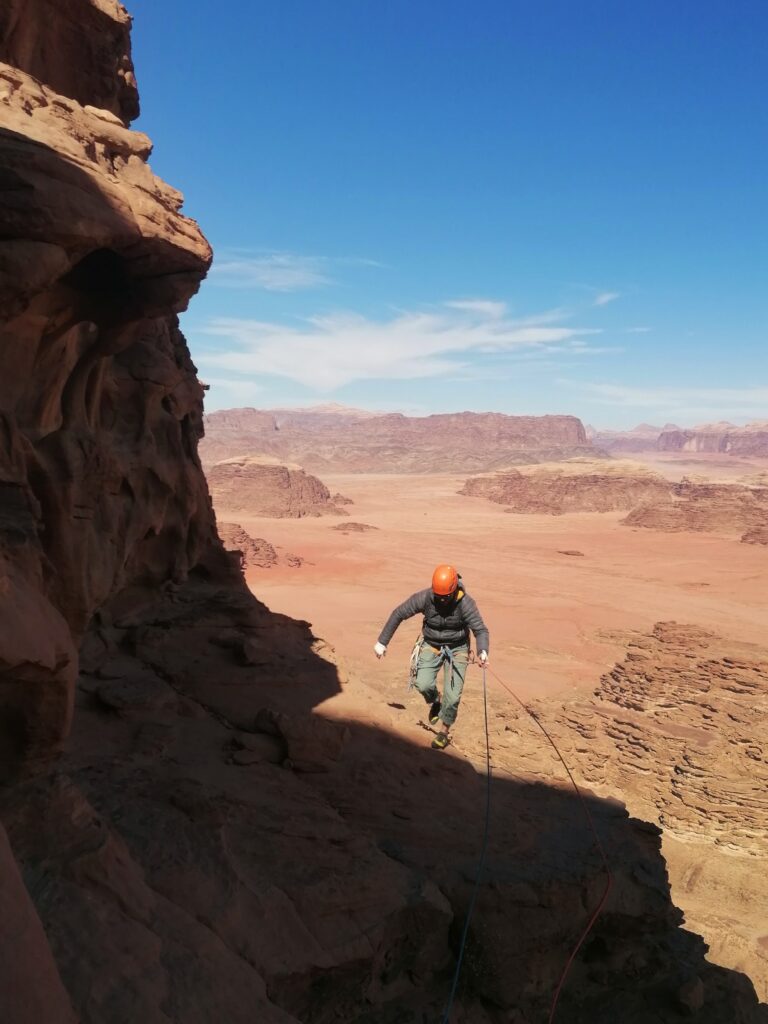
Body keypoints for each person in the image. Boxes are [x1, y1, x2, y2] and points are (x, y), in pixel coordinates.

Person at [374, 564, 489, 749]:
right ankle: (435, 701)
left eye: (445, 597)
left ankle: (444, 732)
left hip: (458, 648)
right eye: (438, 596)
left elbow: (480, 629)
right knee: (423, 683)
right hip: (431, 644)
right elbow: (399, 613)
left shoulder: (465, 603)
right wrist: (382, 641)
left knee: (452, 698)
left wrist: (483, 650)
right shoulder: (426, 597)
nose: (441, 600)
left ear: (453, 591)